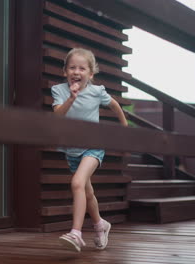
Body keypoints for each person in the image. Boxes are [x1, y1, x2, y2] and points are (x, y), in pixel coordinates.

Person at [51, 48, 128, 252]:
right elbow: (58, 116)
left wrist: (124, 126)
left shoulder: (97, 91)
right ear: (65, 71)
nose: (77, 72)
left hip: (94, 146)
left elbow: (114, 105)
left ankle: (76, 233)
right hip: (72, 150)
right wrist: (71, 98)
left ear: (90, 74)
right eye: (72, 67)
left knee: (77, 183)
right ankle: (100, 225)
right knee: (87, 191)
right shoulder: (58, 90)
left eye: (82, 68)